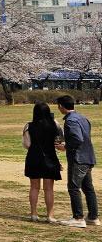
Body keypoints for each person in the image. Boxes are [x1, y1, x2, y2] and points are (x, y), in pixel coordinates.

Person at [57, 95, 99, 227]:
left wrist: (65, 146)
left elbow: (77, 139)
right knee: (88, 188)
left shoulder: (70, 121)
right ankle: (93, 217)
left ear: (61, 106)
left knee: (74, 187)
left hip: (78, 158)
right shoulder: (83, 118)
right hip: (88, 156)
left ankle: (78, 218)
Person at [24, 102, 63, 223]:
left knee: (34, 187)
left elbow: (27, 144)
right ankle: (50, 215)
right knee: (49, 189)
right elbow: (59, 142)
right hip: (50, 158)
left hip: (33, 157)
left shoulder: (28, 126)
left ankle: (34, 213)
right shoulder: (55, 124)